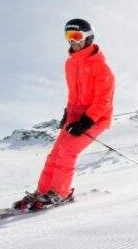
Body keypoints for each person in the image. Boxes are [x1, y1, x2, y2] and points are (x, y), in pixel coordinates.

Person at [14, 18, 115, 211]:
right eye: (69, 36)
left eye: (77, 36)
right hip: (75, 117)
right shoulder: (70, 64)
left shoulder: (102, 68)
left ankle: (60, 193)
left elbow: (104, 100)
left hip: (96, 118)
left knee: (68, 151)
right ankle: (43, 191)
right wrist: (67, 113)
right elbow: (73, 94)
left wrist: (86, 121)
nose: (73, 41)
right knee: (55, 154)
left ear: (88, 37)